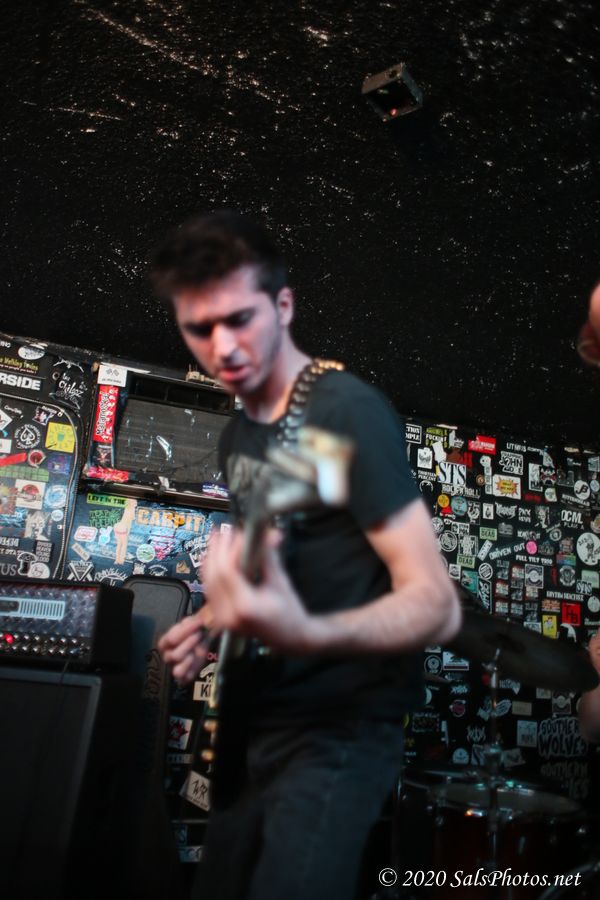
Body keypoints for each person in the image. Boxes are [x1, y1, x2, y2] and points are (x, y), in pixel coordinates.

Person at [154, 211, 461, 900]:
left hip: (339, 727)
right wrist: (211, 622)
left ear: (284, 306)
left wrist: (306, 632)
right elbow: (284, 563)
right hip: (255, 717)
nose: (222, 345)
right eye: (199, 328)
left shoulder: (346, 410)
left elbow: (435, 604)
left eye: (240, 318)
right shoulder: (238, 438)